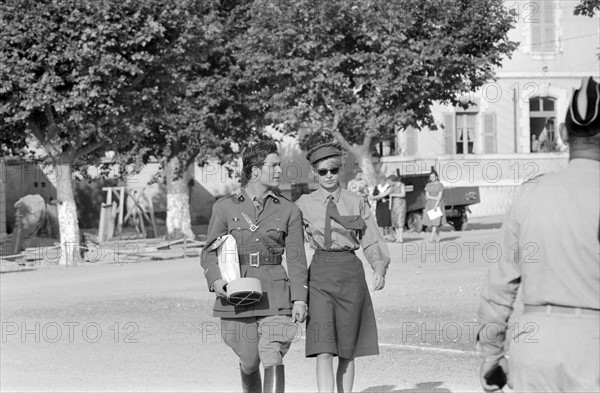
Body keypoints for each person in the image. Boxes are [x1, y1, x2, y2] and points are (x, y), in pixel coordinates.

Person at [476, 76, 600, 392]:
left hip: (535, 346)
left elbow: (499, 286)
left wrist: (491, 355)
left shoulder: (531, 194)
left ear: (562, 134)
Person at [201, 141, 309, 393]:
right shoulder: (225, 207)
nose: (280, 171)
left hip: (276, 292)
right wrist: (217, 281)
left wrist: (300, 299)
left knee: (272, 352)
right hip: (236, 292)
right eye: (273, 166)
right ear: (255, 171)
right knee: (249, 360)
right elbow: (208, 253)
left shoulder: (289, 210)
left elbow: (296, 259)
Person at [295, 142, 390, 393]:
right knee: (323, 347)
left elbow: (371, 240)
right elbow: (286, 239)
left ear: (341, 170)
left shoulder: (356, 201)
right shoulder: (303, 204)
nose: (329, 176)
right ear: (314, 173)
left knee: (347, 350)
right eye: (323, 171)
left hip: (350, 275)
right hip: (319, 276)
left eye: (333, 170)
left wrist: (378, 267)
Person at [422, 170, 446, 243]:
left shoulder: (440, 185)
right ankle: (438, 236)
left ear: (436, 177)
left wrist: (435, 204)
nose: (432, 178)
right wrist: (434, 198)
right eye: (431, 177)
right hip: (429, 204)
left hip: (437, 204)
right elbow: (427, 196)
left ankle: (432, 238)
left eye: (433, 176)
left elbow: (440, 196)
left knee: (435, 221)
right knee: (433, 222)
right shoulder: (428, 185)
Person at [388, 175, 406, 243]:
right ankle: (398, 237)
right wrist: (390, 206)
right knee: (395, 221)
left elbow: (403, 194)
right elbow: (390, 197)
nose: (389, 183)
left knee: (400, 220)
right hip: (394, 205)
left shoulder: (401, 185)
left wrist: (394, 195)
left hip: (401, 204)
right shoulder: (392, 186)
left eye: (390, 181)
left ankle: (401, 238)